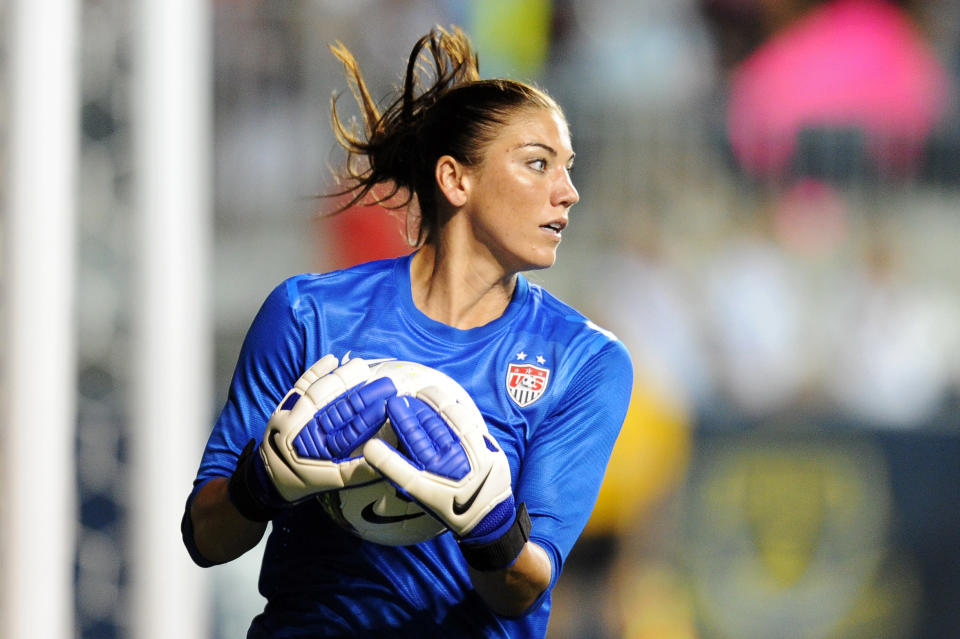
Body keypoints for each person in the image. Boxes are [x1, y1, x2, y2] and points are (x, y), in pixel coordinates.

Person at [182, 25, 633, 638]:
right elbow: (206, 538)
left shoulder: (584, 361)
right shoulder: (307, 315)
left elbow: (523, 590)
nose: (569, 193)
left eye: (569, 169)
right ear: (456, 180)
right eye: (538, 164)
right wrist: (262, 481)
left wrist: (487, 523)